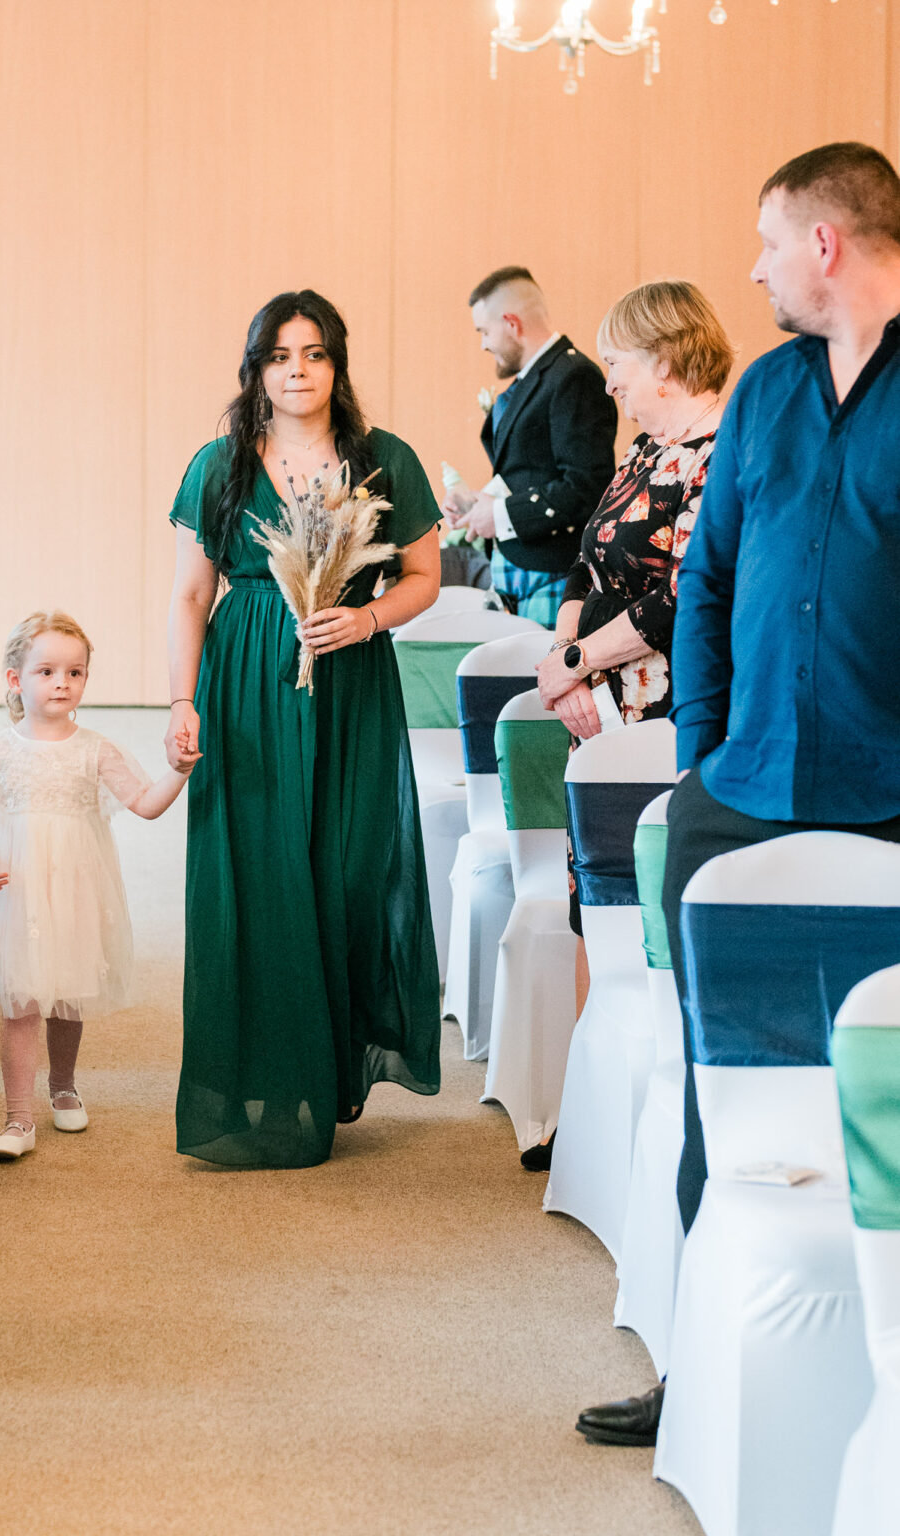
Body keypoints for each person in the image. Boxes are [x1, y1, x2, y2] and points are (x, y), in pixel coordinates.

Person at [577, 140, 900, 1449]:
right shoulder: (764, 390)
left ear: (824, 244)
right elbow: (704, 582)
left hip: (887, 799)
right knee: (728, 1085)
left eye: (768, 240)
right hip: (741, 787)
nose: (754, 266)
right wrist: (704, 751)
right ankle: (701, 1362)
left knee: (879, 1076)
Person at [165, 288, 442, 1171]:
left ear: (337, 365)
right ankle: (262, 1077)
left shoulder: (383, 459)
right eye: (280, 356)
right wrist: (182, 700)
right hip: (244, 681)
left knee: (347, 867)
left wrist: (365, 621)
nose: (297, 371)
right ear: (256, 369)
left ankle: (329, 1069)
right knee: (258, 872)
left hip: (352, 679)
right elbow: (189, 594)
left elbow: (423, 576)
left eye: (314, 354)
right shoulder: (220, 466)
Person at [526, 280, 732, 1177]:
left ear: (665, 357)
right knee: (590, 901)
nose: (606, 383)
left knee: (640, 900)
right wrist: (563, 653)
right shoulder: (645, 450)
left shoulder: (719, 453)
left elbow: (683, 596)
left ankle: (653, 1116)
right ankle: (591, 1108)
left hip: (661, 709)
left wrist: (580, 665)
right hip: (596, 707)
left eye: (616, 365)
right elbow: (585, 554)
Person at [0, 609, 199, 1161]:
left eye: (75, 672)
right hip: (17, 892)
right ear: (16, 679)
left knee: (66, 995)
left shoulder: (96, 748)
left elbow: (145, 804)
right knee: (21, 1001)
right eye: (47, 672)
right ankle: (18, 1119)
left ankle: (63, 1085)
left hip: (78, 890)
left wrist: (178, 771)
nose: (62, 682)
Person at [441, 266, 618, 626]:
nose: (483, 344)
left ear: (511, 323)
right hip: (522, 572)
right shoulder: (542, 378)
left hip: (553, 576)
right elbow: (530, 475)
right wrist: (479, 505)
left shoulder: (573, 377)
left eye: (484, 331)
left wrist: (501, 515)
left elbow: (587, 487)